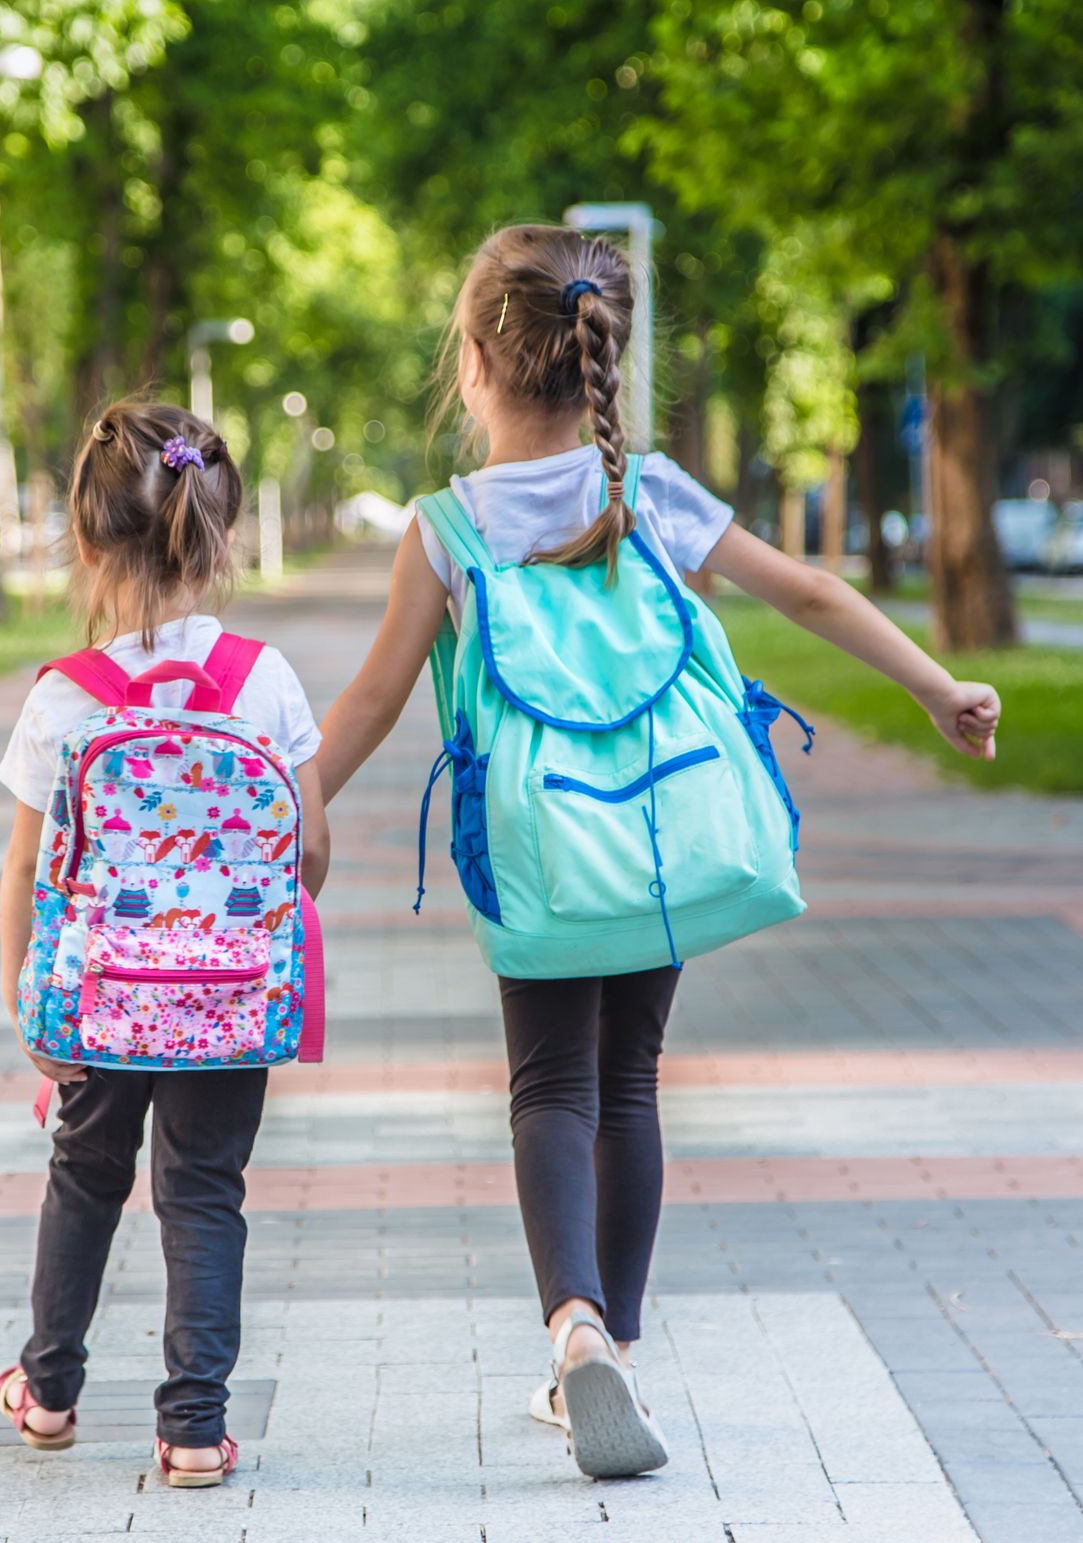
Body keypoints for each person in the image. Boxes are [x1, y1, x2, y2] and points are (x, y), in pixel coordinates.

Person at [315, 225, 1001, 1476]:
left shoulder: (445, 526)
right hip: (658, 833)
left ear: (470, 359)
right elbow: (805, 591)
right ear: (605, 363)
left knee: (548, 1087)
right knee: (627, 1081)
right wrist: (931, 683)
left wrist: (291, 803)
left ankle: (571, 1322)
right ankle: (614, 1341)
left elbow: (367, 699)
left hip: (534, 846)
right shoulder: (652, 490)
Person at [0, 399, 329, 1487]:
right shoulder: (262, 679)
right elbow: (308, 848)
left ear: (83, 542)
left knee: (83, 1180)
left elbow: (27, 872)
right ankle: (193, 1424)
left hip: (97, 1000)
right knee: (203, 1192)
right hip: (228, 1003)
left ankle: (47, 1392)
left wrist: (23, 998)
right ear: (216, 536)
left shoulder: (62, 697)